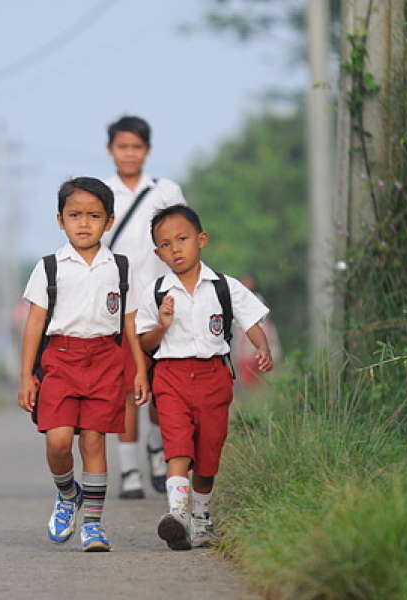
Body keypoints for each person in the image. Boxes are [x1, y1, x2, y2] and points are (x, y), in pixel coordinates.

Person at [18, 177, 150, 552]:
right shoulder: (49, 267)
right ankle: (66, 493)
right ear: (60, 220)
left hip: (106, 361)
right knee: (59, 441)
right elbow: (34, 325)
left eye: (94, 216)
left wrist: (138, 369)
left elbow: (129, 325)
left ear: (109, 222)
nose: (84, 223)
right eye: (75, 215)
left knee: (94, 440)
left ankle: (93, 524)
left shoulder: (121, 269)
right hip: (60, 360)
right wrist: (26, 375)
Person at [136, 205, 273, 550]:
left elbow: (249, 320)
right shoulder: (155, 292)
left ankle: (201, 519)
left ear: (201, 240)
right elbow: (143, 342)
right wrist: (162, 325)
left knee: (209, 451)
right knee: (177, 445)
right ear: (157, 253)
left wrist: (263, 347)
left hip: (214, 376)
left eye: (182, 239)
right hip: (170, 377)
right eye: (165, 244)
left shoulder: (225, 287)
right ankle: (177, 514)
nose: (175, 249)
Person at [103, 115, 188, 499]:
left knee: (161, 383)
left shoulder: (165, 191)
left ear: (147, 151)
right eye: (123, 147)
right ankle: (130, 471)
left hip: (161, 299)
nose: (129, 154)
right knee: (126, 388)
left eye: (136, 147)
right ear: (111, 150)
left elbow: (181, 240)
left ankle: (157, 448)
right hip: (118, 303)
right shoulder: (99, 193)